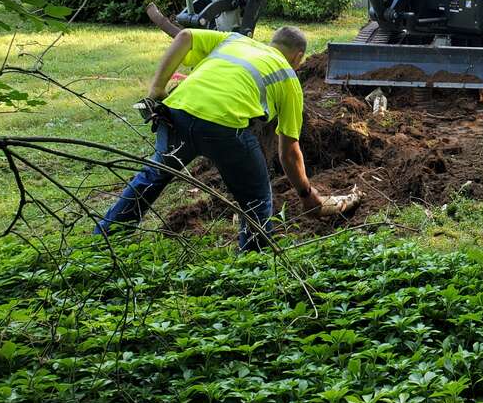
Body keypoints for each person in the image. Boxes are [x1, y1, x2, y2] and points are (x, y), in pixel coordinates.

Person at [94, 26, 331, 251]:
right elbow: (289, 152)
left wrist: (156, 90)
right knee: (256, 197)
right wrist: (306, 194)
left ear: (273, 41)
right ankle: (252, 262)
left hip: (177, 114)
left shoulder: (234, 40)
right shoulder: (288, 78)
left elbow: (185, 36)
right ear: (298, 57)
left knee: (153, 176)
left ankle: (105, 240)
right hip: (224, 129)